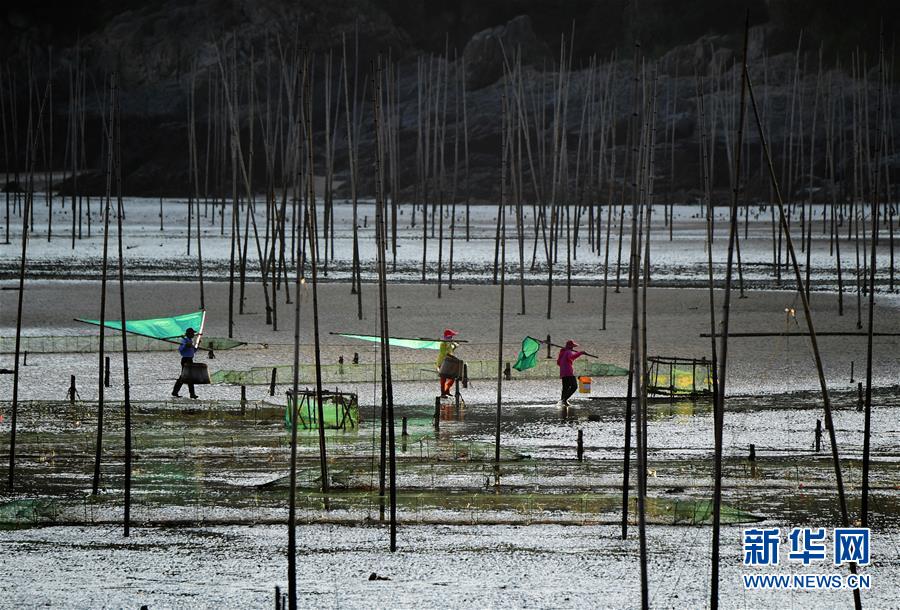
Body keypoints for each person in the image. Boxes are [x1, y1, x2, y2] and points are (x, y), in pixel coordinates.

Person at [556, 340, 585, 407]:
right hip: (568, 372)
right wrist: (580, 353)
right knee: (574, 386)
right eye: (572, 346)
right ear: (570, 347)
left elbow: (558, 363)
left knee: (565, 388)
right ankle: (564, 400)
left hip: (563, 372)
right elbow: (571, 357)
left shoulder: (563, 352)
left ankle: (563, 401)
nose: (573, 348)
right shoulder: (568, 352)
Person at [172, 327, 199, 399]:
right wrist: (186, 345)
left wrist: (197, 345)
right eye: (192, 333)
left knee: (187, 377)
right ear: (189, 334)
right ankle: (190, 394)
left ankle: (177, 392)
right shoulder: (184, 341)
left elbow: (193, 351)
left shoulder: (190, 341)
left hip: (190, 360)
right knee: (185, 377)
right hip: (185, 360)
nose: (193, 334)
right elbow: (180, 350)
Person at [436, 328, 459, 397]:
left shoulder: (449, 343)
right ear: (447, 337)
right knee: (443, 379)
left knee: (452, 378)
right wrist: (449, 345)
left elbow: (452, 350)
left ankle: (447, 390)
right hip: (442, 362)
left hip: (449, 362)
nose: (452, 338)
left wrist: (454, 345)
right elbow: (445, 353)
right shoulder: (443, 344)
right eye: (450, 336)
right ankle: (443, 393)